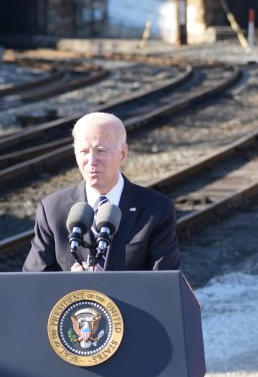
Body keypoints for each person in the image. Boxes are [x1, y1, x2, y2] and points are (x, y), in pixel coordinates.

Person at [22, 112, 181, 272]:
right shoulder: (52, 210)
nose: (92, 161)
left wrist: (104, 285)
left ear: (123, 154)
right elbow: (31, 283)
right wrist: (69, 285)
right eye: (84, 151)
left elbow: (164, 284)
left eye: (101, 150)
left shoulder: (156, 209)